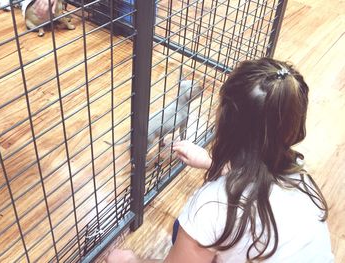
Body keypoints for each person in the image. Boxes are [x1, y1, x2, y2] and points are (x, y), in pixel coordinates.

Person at [106, 58, 334, 263]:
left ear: (224, 120)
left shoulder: (212, 205)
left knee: (182, 230)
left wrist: (130, 261)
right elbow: (256, 179)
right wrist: (209, 161)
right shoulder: (302, 179)